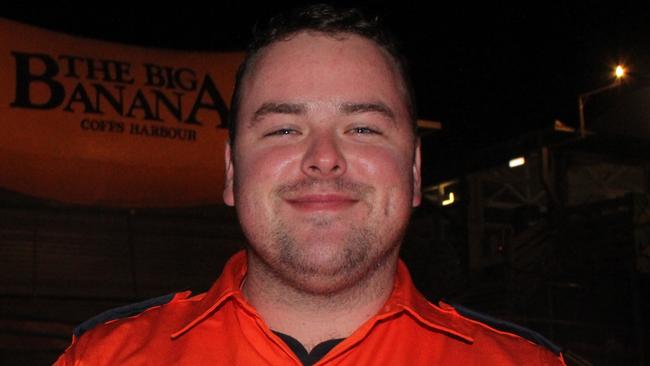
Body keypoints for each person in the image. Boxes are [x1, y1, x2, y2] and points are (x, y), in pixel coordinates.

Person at [55, 4, 566, 365]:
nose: (324, 158)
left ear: (414, 172)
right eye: (283, 129)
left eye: (363, 128)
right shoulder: (103, 359)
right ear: (232, 172)